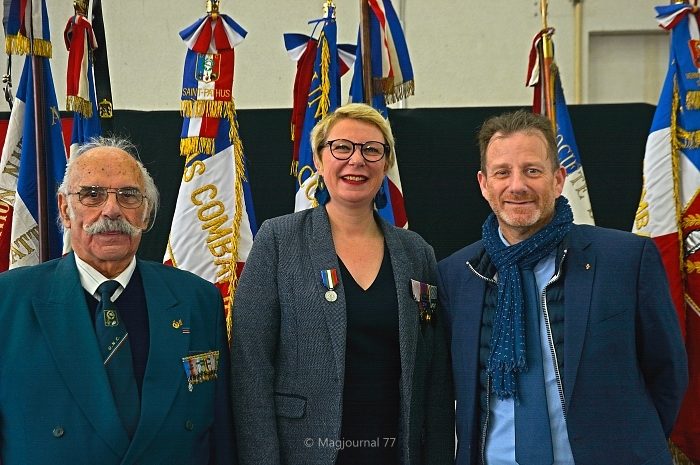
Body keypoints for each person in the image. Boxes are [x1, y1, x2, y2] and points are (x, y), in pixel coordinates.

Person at [437, 110, 688, 465]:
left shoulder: (625, 260)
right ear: (484, 184)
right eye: (502, 172)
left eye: (532, 170)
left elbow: (668, 373)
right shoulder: (457, 276)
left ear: (558, 180)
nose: (517, 185)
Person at [231, 103, 454, 465]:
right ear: (319, 161)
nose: (356, 160)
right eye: (342, 148)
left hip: (396, 452)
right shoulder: (278, 240)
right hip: (305, 452)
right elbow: (250, 367)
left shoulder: (416, 252)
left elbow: (436, 375)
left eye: (371, 149)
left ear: (385, 164)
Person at [0, 136, 235, 464]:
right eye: (92, 194)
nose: (111, 209)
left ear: (145, 212)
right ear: (65, 209)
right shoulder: (8, 301)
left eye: (128, 195)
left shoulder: (197, 299)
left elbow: (220, 435)